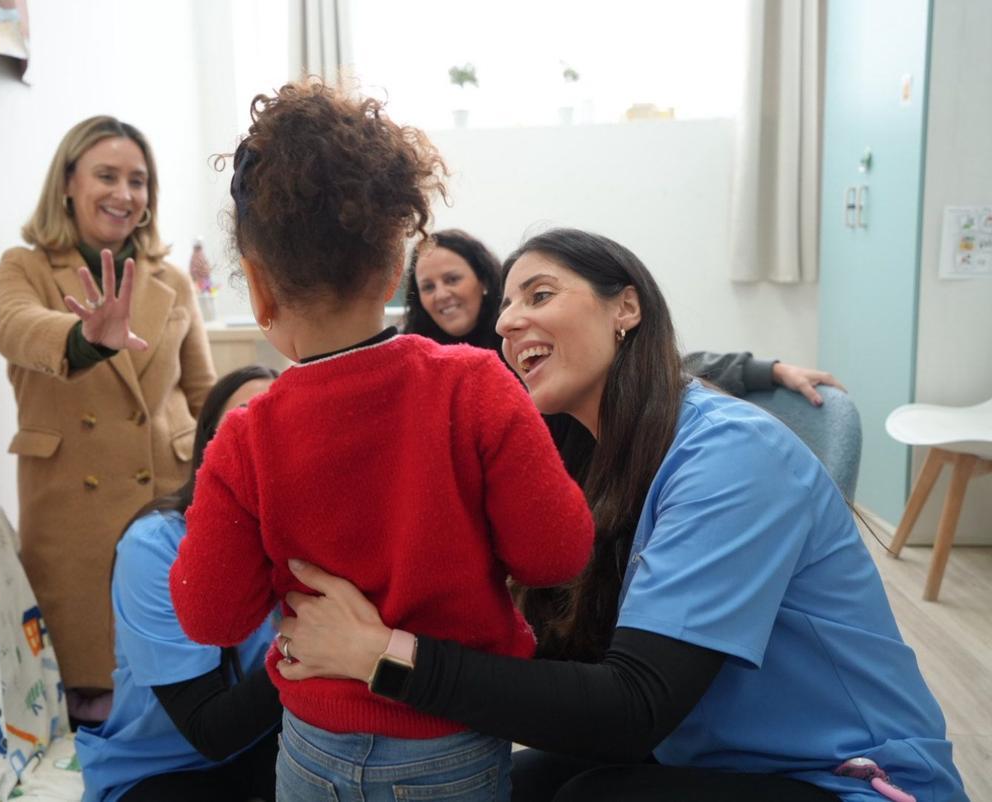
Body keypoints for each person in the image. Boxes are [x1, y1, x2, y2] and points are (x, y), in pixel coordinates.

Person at [271, 229, 968, 801]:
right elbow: (548, 652)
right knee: (508, 785)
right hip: (710, 756)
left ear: (625, 307)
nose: (508, 320)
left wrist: (384, 656)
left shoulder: (731, 456)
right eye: (507, 306)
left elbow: (630, 709)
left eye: (539, 294)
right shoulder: (588, 459)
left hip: (849, 780)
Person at [168, 80, 595, 801]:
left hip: (309, 749)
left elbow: (210, 615)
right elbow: (557, 553)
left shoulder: (246, 434)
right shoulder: (475, 385)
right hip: (447, 747)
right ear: (397, 268)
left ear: (260, 289)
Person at [0, 115, 217, 724]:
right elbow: (11, 326)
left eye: (138, 180)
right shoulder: (26, 267)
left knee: (177, 683)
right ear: (68, 183)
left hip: (166, 501)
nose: (124, 193)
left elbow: (203, 393)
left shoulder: (171, 280)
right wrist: (86, 337)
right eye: (107, 176)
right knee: (92, 691)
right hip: (73, 515)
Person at [76, 366, 281, 802]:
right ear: (209, 447)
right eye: (244, 418)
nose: (263, 435)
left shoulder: (304, 536)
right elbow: (210, 731)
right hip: (159, 768)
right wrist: (313, 648)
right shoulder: (154, 548)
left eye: (280, 421)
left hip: (267, 745)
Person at [405, 230, 844, 406]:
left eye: (451, 278)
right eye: (428, 287)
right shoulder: (419, 362)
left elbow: (664, 369)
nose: (441, 294)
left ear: (482, 280)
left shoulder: (711, 446)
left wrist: (767, 369)